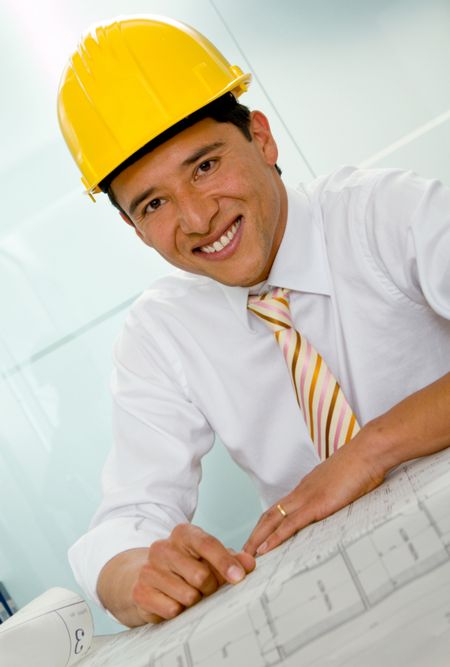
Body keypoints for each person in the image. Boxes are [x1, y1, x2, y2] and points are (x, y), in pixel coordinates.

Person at [57, 16, 450, 628]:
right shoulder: (161, 334)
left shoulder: (382, 212)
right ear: (134, 229)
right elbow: (124, 522)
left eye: (205, 167)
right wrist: (141, 578)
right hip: (362, 610)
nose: (196, 217)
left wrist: (370, 451)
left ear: (261, 139)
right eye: (154, 204)